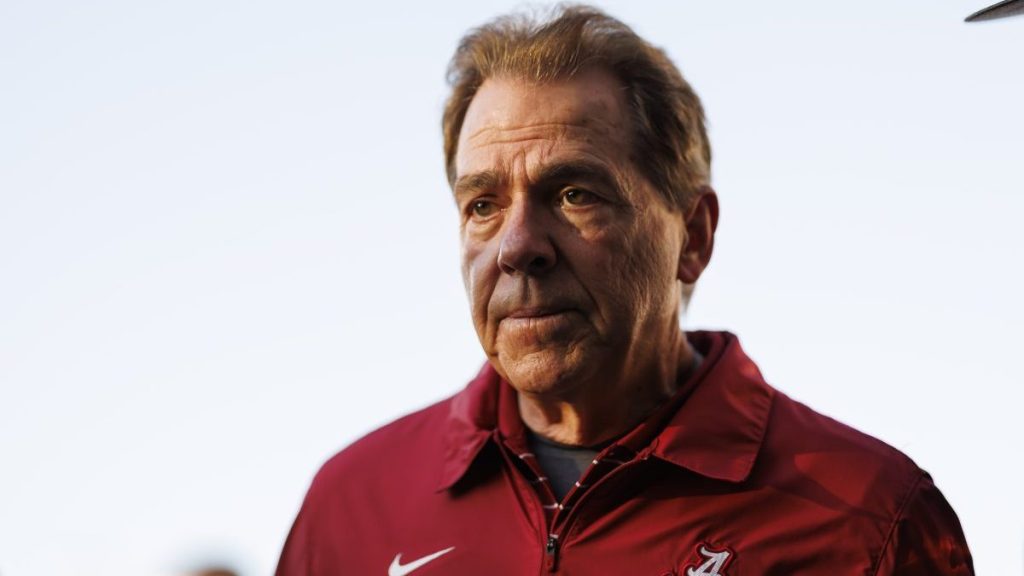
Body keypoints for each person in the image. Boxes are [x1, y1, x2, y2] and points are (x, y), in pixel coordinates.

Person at [276, 6, 974, 575]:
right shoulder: (351, 507)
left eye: (574, 193)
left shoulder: (870, 520)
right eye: (483, 205)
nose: (518, 246)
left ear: (692, 237)